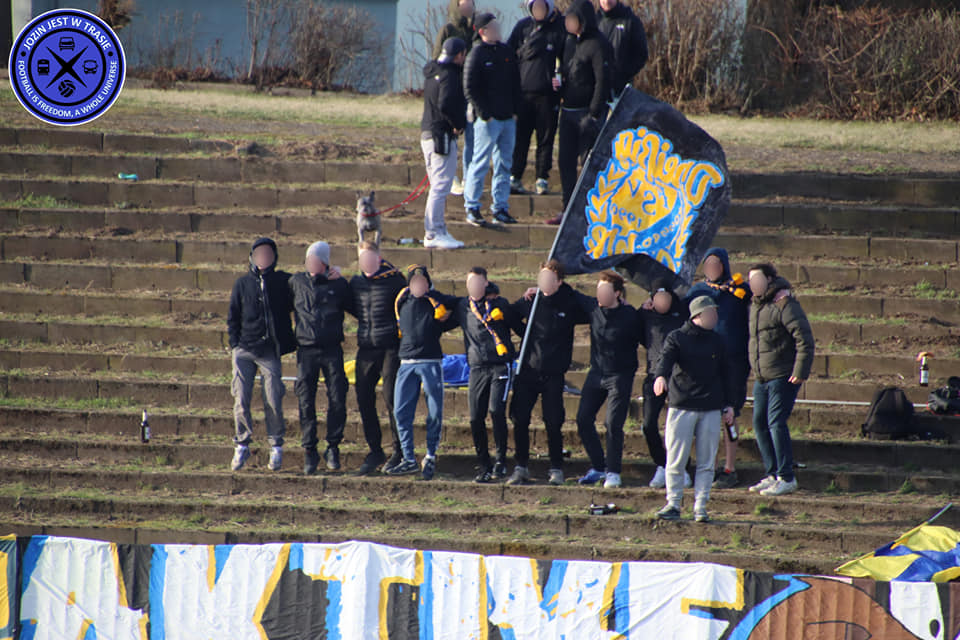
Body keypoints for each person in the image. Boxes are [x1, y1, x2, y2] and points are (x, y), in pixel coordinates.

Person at [653, 296, 736, 523]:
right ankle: (674, 503)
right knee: (676, 459)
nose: (715, 317)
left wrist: (729, 404)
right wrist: (660, 376)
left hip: (710, 407)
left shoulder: (718, 341)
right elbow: (665, 359)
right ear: (698, 315)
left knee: (707, 462)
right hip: (682, 406)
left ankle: (700, 506)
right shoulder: (677, 337)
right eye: (711, 313)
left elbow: (727, 375)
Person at [508, 259, 591, 485]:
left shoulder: (569, 301)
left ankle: (556, 467)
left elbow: (593, 307)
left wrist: (567, 291)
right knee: (520, 418)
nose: (543, 282)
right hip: (528, 371)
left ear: (559, 281)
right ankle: (521, 466)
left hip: (554, 373)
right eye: (541, 278)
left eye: (549, 279)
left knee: (553, 421)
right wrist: (525, 333)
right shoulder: (531, 300)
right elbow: (510, 314)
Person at [227, 237, 296, 473]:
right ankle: (242, 443)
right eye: (259, 254)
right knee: (241, 398)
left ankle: (276, 445)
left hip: (269, 351)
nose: (263, 258)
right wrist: (235, 344)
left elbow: (307, 284)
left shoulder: (283, 281)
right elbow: (232, 315)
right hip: (244, 349)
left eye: (268, 254)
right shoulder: (242, 283)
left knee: (273, 398)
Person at [746, 263, 815, 497]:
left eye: (757, 280)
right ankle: (773, 473)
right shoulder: (756, 305)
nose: (753, 284)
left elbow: (804, 338)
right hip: (761, 376)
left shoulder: (785, 303)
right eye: (750, 280)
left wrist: (800, 370)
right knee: (758, 423)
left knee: (776, 422)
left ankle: (787, 477)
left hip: (782, 375)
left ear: (769, 280)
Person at [686, 248, 751, 489]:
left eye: (716, 263)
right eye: (708, 264)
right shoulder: (698, 291)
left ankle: (729, 468)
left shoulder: (740, 291)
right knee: (707, 416)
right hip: (705, 362)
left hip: (734, 362)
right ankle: (708, 467)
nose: (712, 268)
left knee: (730, 416)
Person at [449, 267, 521, 482]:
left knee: (496, 410)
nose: (474, 288)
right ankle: (484, 464)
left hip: (500, 365)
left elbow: (520, 327)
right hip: (477, 367)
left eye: (478, 284)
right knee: (474, 417)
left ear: (486, 284)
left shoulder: (500, 304)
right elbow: (441, 311)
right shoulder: (463, 306)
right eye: (470, 284)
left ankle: (501, 460)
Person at [289, 241, 354, 476]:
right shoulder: (296, 282)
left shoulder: (339, 284)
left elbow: (356, 305)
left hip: (332, 350)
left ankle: (333, 447)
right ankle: (309, 450)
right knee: (305, 401)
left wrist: (342, 279)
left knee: (338, 397)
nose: (312, 264)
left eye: (317, 260)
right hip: (306, 350)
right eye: (309, 260)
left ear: (325, 263)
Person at [547, 0, 612, 225]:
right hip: (568, 110)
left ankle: (587, 210)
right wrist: (560, 84)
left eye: (572, 20)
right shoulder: (569, 42)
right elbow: (566, 70)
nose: (568, 24)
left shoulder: (597, 44)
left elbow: (602, 81)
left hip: (588, 112)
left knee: (588, 163)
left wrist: (594, 114)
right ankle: (568, 208)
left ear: (582, 21)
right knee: (565, 161)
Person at [576, 271, 642, 488]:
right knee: (583, 418)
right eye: (598, 291)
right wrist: (536, 290)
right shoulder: (593, 308)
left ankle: (613, 471)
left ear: (617, 294)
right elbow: (568, 295)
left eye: (604, 291)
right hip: (596, 373)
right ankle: (598, 466)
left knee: (613, 423)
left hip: (620, 375)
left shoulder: (631, 316)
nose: (600, 295)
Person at [390, 265, 457, 480]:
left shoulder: (436, 302)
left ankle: (430, 455)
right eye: (414, 282)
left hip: (430, 362)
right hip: (406, 362)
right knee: (400, 411)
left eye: (423, 282)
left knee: (435, 411)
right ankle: (408, 459)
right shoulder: (402, 301)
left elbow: (458, 306)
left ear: (428, 284)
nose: (419, 285)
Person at [350, 242, 407, 475]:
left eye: (370, 259)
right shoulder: (355, 283)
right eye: (362, 259)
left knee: (392, 399)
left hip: (391, 348)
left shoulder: (395, 279)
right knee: (363, 397)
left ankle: (399, 450)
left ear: (379, 258)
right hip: (366, 347)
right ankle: (375, 450)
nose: (366, 263)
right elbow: (350, 305)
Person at [463, 13, 522, 227]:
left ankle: (500, 207)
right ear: (482, 31)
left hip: (508, 118)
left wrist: (515, 110)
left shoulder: (506, 52)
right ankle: (472, 206)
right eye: (493, 27)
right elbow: (469, 88)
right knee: (480, 162)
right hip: (488, 120)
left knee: (504, 164)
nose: (498, 29)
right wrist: (484, 114)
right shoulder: (476, 54)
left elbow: (516, 83)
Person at [507, 0, 566, 197]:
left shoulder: (559, 28)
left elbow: (567, 59)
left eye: (542, 6)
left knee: (545, 139)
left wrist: (560, 81)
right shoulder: (523, 27)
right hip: (523, 95)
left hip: (548, 96)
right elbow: (509, 54)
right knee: (521, 138)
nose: (539, 10)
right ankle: (515, 176)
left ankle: (542, 178)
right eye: (535, 7)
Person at [638, 279, 691, 490]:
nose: (662, 302)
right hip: (653, 376)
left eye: (666, 297)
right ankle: (661, 464)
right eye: (657, 298)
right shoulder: (645, 315)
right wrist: (640, 308)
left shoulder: (682, 313)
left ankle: (682, 468)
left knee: (678, 427)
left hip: (678, 377)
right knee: (648, 425)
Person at [421, 37, 468, 250]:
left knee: (437, 185)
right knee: (441, 185)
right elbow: (446, 103)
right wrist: (458, 124)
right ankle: (433, 232)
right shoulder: (450, 74)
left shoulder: (432, 71)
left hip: (428, 133)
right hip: (441, 135)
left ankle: (438, 229)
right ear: (459, 55)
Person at [434, 0, 476, 197]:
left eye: (471, 4)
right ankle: (452, 178)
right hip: (452, 88)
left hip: (470, 89)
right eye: (464, 5)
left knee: (471, 135)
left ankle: (468, 178)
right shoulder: (448, 29)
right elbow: (437, 61)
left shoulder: (475, 29)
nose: (468, 8)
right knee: (451, 131)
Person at [596, 0, 648, 97]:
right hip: (596, 88)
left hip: (621, 89)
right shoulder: (594, 21)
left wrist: (623, 74)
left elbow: (641, 54)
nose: (607, 1)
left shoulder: (630, 21)